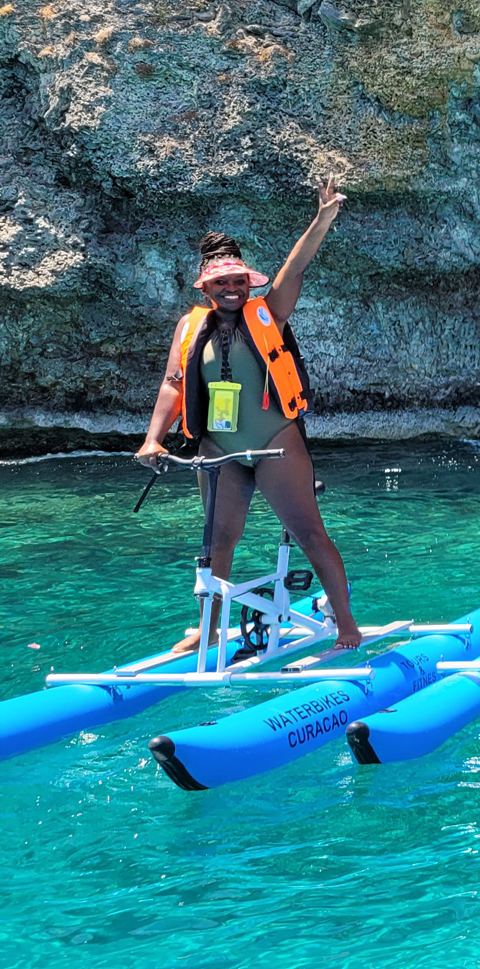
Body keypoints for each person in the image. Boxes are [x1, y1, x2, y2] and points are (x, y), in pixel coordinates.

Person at [135, 180, 363, 652]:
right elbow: (173, 385)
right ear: (207, 287)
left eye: (239, 280)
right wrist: (152, 438)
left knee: (309, 534)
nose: (233, 288)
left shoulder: (268, 313)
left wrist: (321, 219)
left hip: (275, 441)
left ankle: (346, 626)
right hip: (220, 449)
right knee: (217, 541)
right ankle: (209, 628)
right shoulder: (190, 326)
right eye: (223, 282)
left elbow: (295, 267)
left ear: (249, 282)